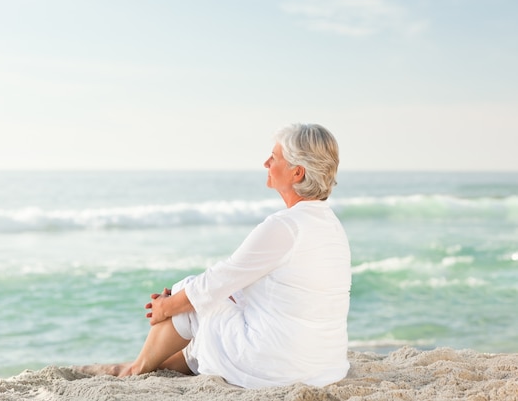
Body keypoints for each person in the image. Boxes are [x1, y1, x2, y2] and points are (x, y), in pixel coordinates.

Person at [76, 123, 351, 389]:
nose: (266, 163)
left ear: (297, 173)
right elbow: (274, 290)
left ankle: (135, 369)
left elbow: (218, 280)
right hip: (325, 366)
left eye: (274, 157)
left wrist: (166, 307)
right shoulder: (330, 225)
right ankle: (158, 363)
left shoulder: (284, 226)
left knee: (189, 290)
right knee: (208, 301)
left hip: (278, 366)